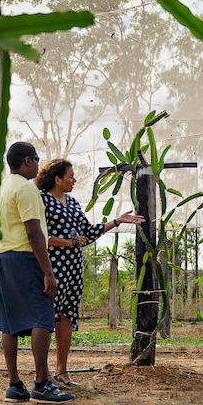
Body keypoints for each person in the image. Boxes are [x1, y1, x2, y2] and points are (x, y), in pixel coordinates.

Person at [35, 158, 145, 388]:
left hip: (73, 268)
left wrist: (116, 221)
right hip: (53, 267)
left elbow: (86, 232)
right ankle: (44, 376)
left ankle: (62, 370)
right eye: (70, 176)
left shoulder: (73, 203)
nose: (74, 180)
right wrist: (68, 243)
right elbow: (38, 237)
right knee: (48, 319)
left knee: (66, 317)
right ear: (57, 179)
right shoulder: (41, 201)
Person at [0, 142, 74, 404]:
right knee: (42, 319)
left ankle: (14, 385)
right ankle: (41, 384)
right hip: (23, 258)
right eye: (36, 160)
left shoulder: (2, 187)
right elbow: (34, 232)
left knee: (9, 323)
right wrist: (48, 272)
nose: (38, 165)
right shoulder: (27, 189)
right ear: (27, 161)